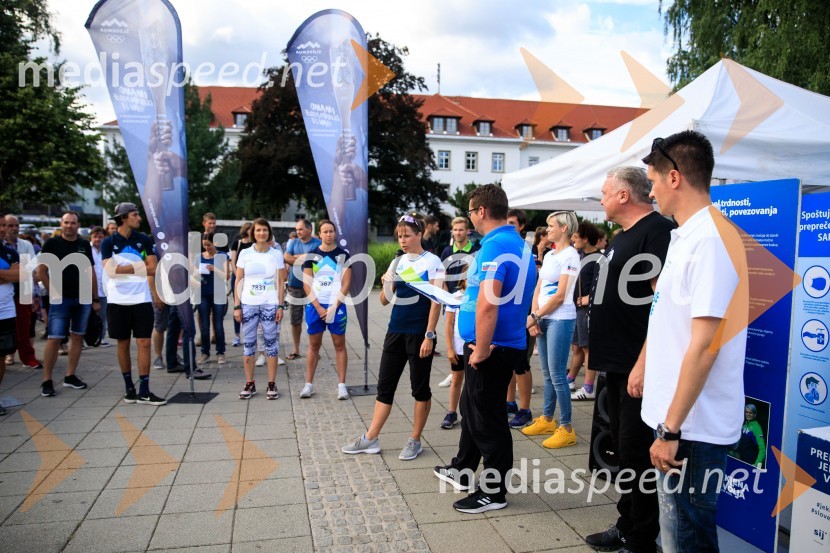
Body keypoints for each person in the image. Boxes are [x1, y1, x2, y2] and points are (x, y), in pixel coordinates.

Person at [641, 131, 747, 553]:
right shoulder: (687, 236)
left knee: (687, 536)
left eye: (651, 180)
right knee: (677, 530)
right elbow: (671, 318)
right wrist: (643, 367)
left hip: (691, 428)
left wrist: (671, 428)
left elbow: (706, 345)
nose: (649, 191)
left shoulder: (711, 241)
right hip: (680, 418)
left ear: (674, 177)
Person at [583, 166, 674, 553]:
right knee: (624, 452)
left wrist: (642, 362)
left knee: (637, 454)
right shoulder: (623, 237)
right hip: (615, 363)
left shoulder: (657, 231)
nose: (600, 198)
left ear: (624, 195)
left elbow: (662, 303)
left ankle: (641, 539)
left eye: (605, 192)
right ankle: (626, 524)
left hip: (637, 365)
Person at [433, 184, 536, 514]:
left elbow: (489, 304)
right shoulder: (518, 245)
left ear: (480, 212)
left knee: (488, 420)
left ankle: (494, 491)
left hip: (492, 347)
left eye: (469, 211)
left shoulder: (494, 248)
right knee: (472, 408)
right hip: (499, 343)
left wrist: (481, 349)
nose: (469, 217)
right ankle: (463, 468)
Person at [342, 214, 443, 460]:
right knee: (385, 387)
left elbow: (436, 300)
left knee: (420, 389)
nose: (402, 240)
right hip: (395, 331)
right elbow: (384, 300)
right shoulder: (397, 262)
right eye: (399, 236)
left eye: (407, 235)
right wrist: (387, 283)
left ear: (419, 234)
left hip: (420, 333)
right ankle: (370, 438)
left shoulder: (433, 262)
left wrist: (430, 334)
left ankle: (415, 439)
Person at [522, 211, 580, 449]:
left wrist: (535, 315)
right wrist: (535, 316)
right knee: (547, 373)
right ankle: (547, 419)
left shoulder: (570, 255)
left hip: (560, 318)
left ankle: (566, 428)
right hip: (544, 317)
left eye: (551, 226)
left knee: (557, 375)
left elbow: (561, 295)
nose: (547, 230)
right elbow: (539, 286)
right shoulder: (550, 254)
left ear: (564, 228)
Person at [101, 202, 166, 406]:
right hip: (117, 300)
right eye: (135, 215)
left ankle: (144, 390)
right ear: (123, 217)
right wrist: (139, 266)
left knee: (144, 342)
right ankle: (129, 388)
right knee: (123, 343)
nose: (139, 218)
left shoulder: (144, 240)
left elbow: (153, 268)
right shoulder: (108, 242)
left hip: (141, 299)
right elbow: (110, 272)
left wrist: (124, 268)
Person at [36, 211, 99, 397]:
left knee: (78, 336)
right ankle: (46, 380)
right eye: (66, 222)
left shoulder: (83, 245)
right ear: (61, 224)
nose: (69, 226)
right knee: (54, 338)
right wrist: (53, 291)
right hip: (60, 300)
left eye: (73, 223)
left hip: (83, 298)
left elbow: (90, 272)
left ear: (78, 225)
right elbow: (41, 271)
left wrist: (95, 298)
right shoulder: (51, 244)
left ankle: (70, 375)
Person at [233, 218, 285, 399]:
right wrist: (237, 306)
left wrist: (280, 305)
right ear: (252, 233)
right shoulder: (245, 254)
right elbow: (238, 281)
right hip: (248, 304)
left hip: (270, 304)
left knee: (271, 344)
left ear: (268, 232)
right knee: (248, 345)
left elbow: (280, 282)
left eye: (264, 230)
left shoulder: (276, 254)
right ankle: (250, 383)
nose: (261, 233)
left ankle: (272, 383)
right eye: (258, 230)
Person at [299, 220, 351, 400]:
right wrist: (319, 307)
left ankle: (342, 385)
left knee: (339, 345)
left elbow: (346, 285)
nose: (328, 235)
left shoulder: (343, 255)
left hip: (336, 307)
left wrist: (333, 308)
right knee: (314, 346)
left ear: (335, 233)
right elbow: (307, 285)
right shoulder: (311, 255)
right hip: (316, 306)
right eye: (325, 232)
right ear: (319, 234)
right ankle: (308, 384)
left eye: (331, 231)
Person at [437, 217, 478, 388]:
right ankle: (454, 370)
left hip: (469, 300)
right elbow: (442, 276)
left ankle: (469, 367)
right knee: (451, 333)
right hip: (451, 300)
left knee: (468, 333)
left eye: (461, 229)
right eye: (455, 230)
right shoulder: (447, 251)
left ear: (467, 231)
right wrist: (447, 296)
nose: (458, 232)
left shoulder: (476, 251)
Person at [505, 208, 534, 428]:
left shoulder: (525, 249)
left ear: (521, 226)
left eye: (513, 223)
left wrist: (531, 316)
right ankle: (510, 402)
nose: (509, 226)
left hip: (522, 315)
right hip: (507, 314)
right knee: (509, 365)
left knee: (521, 365)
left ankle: (525, 409)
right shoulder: (506, 246)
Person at [568, 221, 602, 400]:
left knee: (587, 348)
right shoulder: (580, 256)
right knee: (579, 347)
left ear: (585, 239)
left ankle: (589, 388)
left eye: (576, 236)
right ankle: (571, 379)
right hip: (578, 309)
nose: (573, 240)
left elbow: (603, 282)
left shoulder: (598, 259)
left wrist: (590, 298)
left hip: (587, 310)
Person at [3, 215, 40, 368]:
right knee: (5, 326)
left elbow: (30, 269)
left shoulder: (25, 245)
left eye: (16, 226)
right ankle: (7, 355)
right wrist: (11, 273)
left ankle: (27, 357)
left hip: (23, 289)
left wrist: (33, 295)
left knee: (24, 327)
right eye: (10, 225)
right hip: (5, 291)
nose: (14, 229)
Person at [283, 219, 321, 360]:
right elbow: (286, 258)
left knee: (314, 319)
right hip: (295, 285)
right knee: (295, 319)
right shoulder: (293, 243)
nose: (297, 232)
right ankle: (296, 349)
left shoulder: (318, 244)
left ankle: (314, 350)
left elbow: (318, 261)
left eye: (300, 229)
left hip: (313, 286)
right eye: (297, 229)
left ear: (309, 229)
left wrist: (296, 258)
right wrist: (306, 258)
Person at [195, 232, 228, 365]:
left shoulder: (222, 256)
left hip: (218, 293)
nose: (207, 248)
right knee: (204, 325)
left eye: (209, 245)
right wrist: (196, 273)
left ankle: (220, 352)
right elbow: (192, 274)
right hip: (202, 293)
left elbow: (226, 276)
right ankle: (205, 352)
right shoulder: (199, 257)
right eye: (204, 245)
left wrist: (214, 269)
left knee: (218, 324)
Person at [0, 213, 21, 416]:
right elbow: (12, 274)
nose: (2, 229)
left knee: (2, 355)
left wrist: (7, 275)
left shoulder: (9, 253)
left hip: (6, 310)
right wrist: (8, 274)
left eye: (3, 226)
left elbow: (20, 275)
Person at [439, 278, 466, 429]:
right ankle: (451, 412)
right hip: (458, 346)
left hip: (474, 346)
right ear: (463, 279)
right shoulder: (455, 297)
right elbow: (448, 324)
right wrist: (450, 349)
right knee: (456, 379)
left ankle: (470, 413)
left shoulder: (481, 294)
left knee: (473, 382)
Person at [229, 221, 253, 347]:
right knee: (237, 305)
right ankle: (237, 335)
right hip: (238, 277)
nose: (251, 231)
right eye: (250, 229)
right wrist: (238, 274)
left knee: (249, 305)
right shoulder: (237, 243)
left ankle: (249, 333)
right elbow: (233, 261)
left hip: (250, 279)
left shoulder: (254, 244)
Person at [89, 226, 110, 347]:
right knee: (86, 315)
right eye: (95, 237)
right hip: (88, 288)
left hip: (103, 289)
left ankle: (101, 338)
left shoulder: (107, 250)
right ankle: (83, 339)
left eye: (100, 237)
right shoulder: (87, 249)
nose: (97, 239)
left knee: (102, 315)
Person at [729, 404, 766, 468]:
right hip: (740, 459)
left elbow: (762, 449)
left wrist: (756, 464)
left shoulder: (757, 428)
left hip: (749, 462)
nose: (748, 414)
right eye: (746, 412)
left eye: (750, 413)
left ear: (755, 415)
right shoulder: (744, 426)